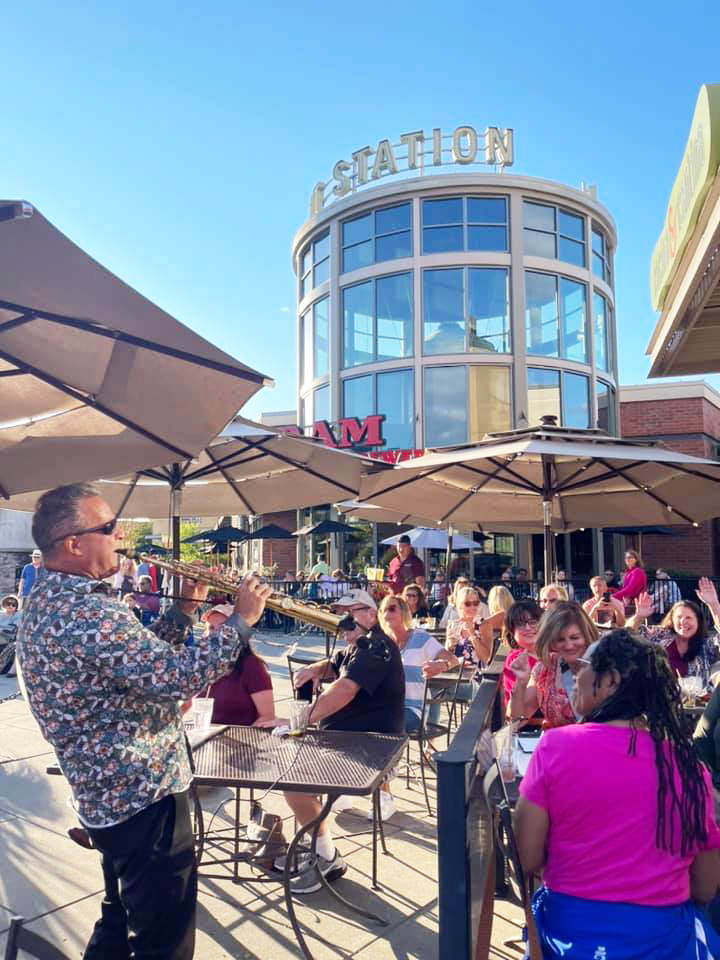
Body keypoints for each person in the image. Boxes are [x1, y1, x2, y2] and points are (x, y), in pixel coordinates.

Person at [16, 483, 271, 960]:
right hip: (142, 797)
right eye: (108, 528)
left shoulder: (54, 602)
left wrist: (182, 611)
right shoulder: (87, 610)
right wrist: (241, 621)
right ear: (73, 543)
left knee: (117, 920)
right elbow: (175, 677)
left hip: (108, 798)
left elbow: (134, 664)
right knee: (164, 941)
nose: (120, 537)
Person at [515, 630, 720, 959]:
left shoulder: (557, 746)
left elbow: (527, 856)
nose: (577, 677)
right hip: (663, 939)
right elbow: (705, 887)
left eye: (584, 667)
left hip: (569, 933)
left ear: (610, 681)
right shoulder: (690, 770)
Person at [283, 588, 405, 892]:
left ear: (370, 615)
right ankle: (319, 847)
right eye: (341, 614)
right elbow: (336, 664)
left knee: (293, 781)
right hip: (344, 742)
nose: (345, 622)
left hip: (370, 750)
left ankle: (326, 857)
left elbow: (344, 689)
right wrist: (315, 668)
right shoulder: (359, 645)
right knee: (288, 769)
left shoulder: (377, 647)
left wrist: (301, 719)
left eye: (351, 614)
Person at [509, 601, 597, 728]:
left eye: (575, 638)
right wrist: (521, 682)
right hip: (558, 744)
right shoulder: (545, 667)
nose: (568, 645)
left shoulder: (605, 665)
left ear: (587, 634)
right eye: (560, 639)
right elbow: (517, 721)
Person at [378, 594, 458, 734]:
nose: (387, 614)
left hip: (413, 709)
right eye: (383, 610)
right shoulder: (382, 643)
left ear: (403, 612)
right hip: (385, 707)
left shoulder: (420, 638)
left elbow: (453, 660)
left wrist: (442, 665)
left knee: (385, 727)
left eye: (391, 609)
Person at [198, 604, 277, 727]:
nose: (215, 634)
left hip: (243, 741)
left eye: (222, 628)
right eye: (211, 628)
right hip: (207, 740)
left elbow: (268, 717)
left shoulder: (252, 665)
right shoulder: (200, 663)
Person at [627, 589, 720, 690]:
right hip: (657, 698)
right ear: (672, 620)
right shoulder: (660, 635)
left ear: (699, 622)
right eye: (679, 617)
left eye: (688, 618)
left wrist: (714, 605)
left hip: (694, 702)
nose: (683, 621)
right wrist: (638, 616)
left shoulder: (705, 646)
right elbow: (625, 636)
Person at [445, 585, 500, 677]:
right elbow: (448, 656)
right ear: (460, 605)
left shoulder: (484, 625)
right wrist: (449, 645)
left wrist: (472, 634)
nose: (472, 607)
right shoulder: (453, 625)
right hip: (456, 675)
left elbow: (486, 658)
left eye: (476, 603)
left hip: (476, 677)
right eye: (468, 604)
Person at [501, 599, 543, 706]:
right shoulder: (515, 660)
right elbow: (518, 707)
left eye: (533, 622)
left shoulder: (555, 651)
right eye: (520, 624)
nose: (528, 628)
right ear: (512, 632)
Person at [0, 594, 21, 675]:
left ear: (16, 607)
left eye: (13, 605)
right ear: (4, 605)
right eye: (8, 604)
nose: (10, 606)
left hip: (8, 637)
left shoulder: (17, 615)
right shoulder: (1, 615)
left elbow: (14, 628)